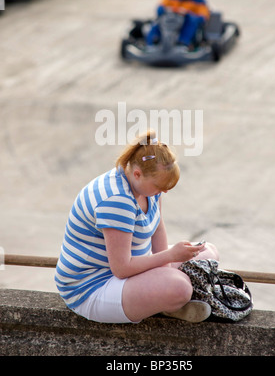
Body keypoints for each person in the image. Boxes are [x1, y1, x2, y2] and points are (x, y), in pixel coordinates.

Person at [55, 130, 219, 324]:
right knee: (180, 288)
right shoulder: (117, 200)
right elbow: (121, 269)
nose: (164, 191)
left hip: (134, 268)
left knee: (209, 253)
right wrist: (170, 257)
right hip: (92, 287)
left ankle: (163, 301)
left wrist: (166, 270)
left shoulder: (146, 186)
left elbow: (157, 227)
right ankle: (167, 304)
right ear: (137, 174)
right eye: (160, 186)